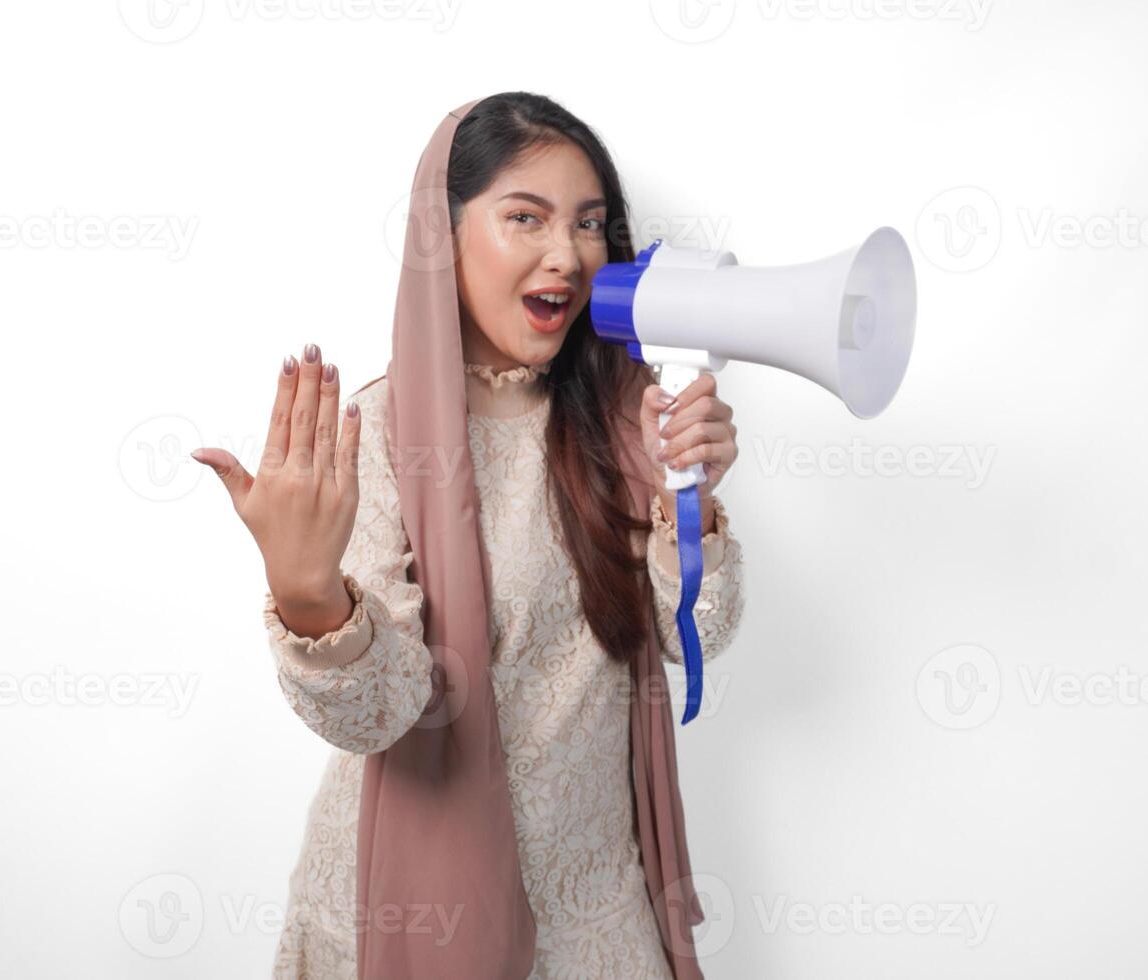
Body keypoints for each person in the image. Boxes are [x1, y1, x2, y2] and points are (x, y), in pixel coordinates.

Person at [193, 92, 745, 979]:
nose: (566, 254)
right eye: (524, 217)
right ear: (440, 241)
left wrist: (691, 500)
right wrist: (310, 597)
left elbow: (698, 635)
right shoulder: (375, 435)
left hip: (597, 916)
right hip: (411, 911)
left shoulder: (626, 419)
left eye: (590, 224)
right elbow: (381, 714)